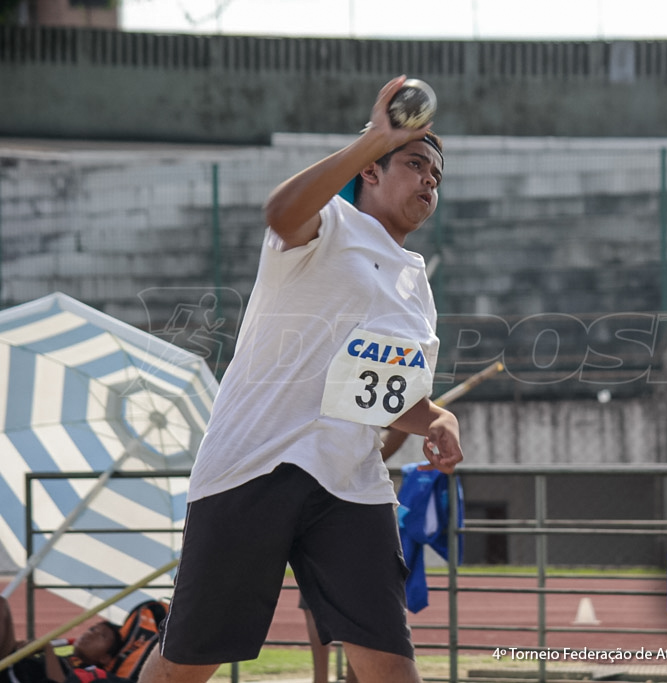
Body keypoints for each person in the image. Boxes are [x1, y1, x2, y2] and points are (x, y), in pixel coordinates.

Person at [138, 75, 463, 683]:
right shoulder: (328, 224)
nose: (429, 181)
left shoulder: (415, 283)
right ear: (370, 170)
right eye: (416, 164)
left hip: (349, 484)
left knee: (392, 664)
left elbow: (372, 389)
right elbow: (281, 210)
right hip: (252, 466)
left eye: (437, 176)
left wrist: (433, 417)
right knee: (190, 662)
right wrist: (374, 137)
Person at [300, 428, 411, 683]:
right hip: (323, 502)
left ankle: (352, 678)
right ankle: (325, 679)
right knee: (320, 602)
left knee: (362, 605)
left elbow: (392, 436)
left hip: (355, 504)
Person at [1, 596, 125, 683]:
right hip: (13, 667)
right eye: (92, 629)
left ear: (105, 658)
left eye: (102, 636)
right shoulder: (65, 658)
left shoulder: (96, 676)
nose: (90, 634)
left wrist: (48, 649)